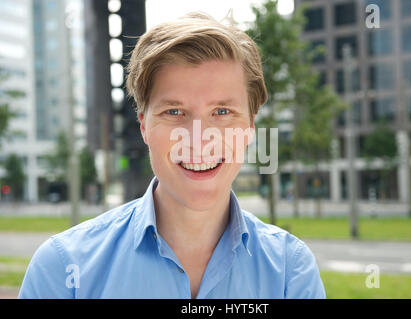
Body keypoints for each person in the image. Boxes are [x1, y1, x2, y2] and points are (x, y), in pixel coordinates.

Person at [19, 12, 325, 299]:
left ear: (249, 126)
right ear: (144, 126)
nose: (198, 138)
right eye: (174, 111)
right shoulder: (61, 270)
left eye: (222, 112)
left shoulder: (290, 273)